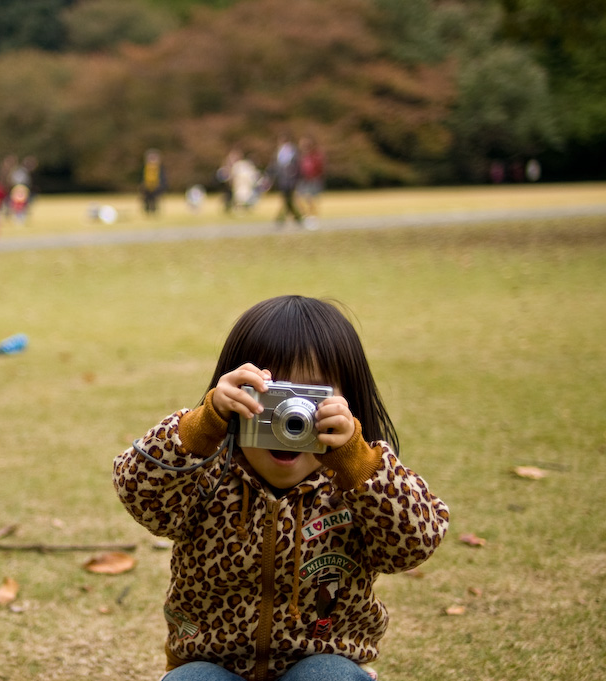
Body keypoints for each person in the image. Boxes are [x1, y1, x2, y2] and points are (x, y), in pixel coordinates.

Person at [114, 295, 450, 681]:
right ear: (234, 395)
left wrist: (358, 463)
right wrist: (201, 426)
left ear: (347, 405)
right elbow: (138, 491)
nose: (290, 416)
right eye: (272, 395)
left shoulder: (356, 488)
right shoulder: (204, 475)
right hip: (212, 664)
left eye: (310, 400)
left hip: (323, 661)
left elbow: (415, 543)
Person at [267, 133, 304, 227]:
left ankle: (282, 219)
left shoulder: (292, 151)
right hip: (282, 179)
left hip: (290, 179)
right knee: (287, 199)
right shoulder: (279, 152)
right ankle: (297, 218)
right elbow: (275, 166)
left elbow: (296, 165)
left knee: (288, 199)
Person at [297, 136, 326, 230]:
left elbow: (320, 168)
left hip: (314, 180)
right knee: (300, 198)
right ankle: (307, 217)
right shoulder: (303, 156)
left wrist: (316, 177)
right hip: (304, 180)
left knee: (312, 200)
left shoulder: (316, 155)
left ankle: (313, 219)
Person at [140, 149, 167, 216]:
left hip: (157, 187)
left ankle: (153, 210)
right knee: (146, 198)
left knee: (154, 198)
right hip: (148, 187)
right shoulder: (147, 168)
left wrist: (161, 185)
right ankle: (148, 210)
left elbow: (162, 178)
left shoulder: (159, 168)